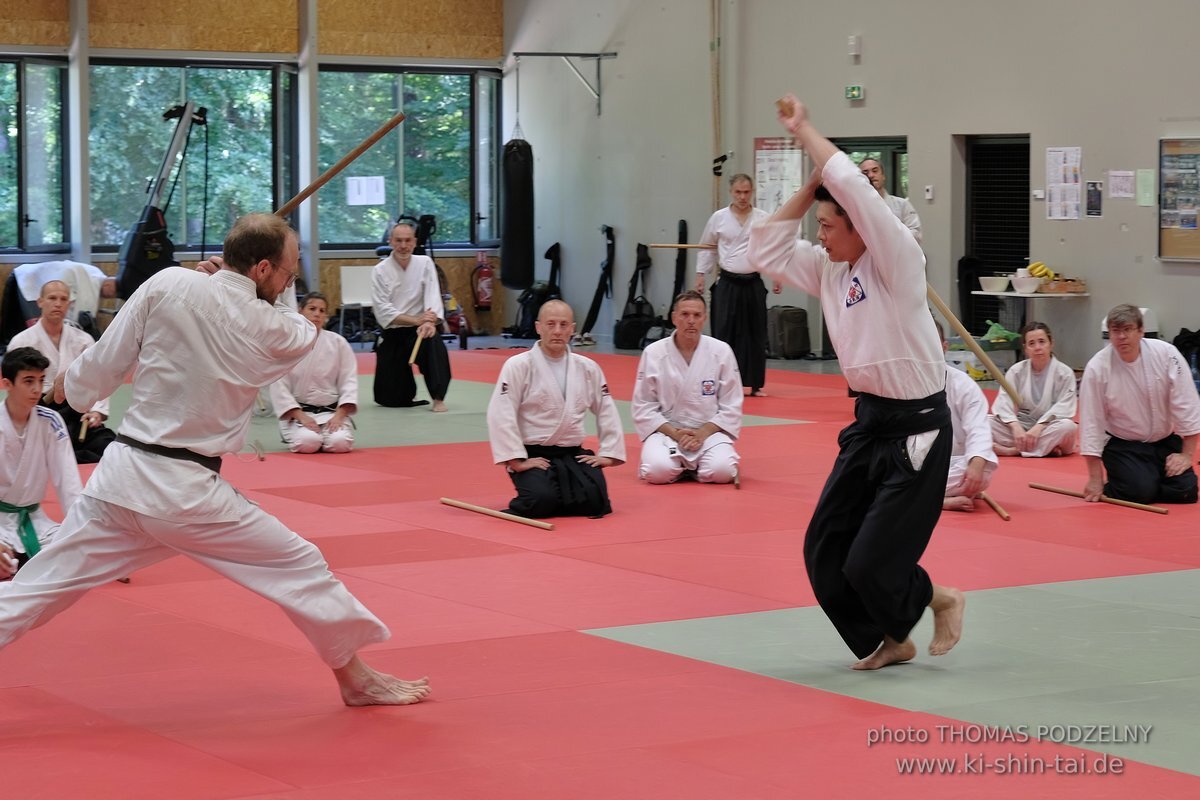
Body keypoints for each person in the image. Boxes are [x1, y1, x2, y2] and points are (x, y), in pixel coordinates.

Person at [0, 213, 430, 707]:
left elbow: (105, 361)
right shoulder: (274, 326)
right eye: (289, 273)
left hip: (119, 480)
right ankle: (355, 679)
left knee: (34, 590)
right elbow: (296, 328)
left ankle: (354, 676)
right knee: (298, 564)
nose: (291, 283)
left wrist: (72, 389)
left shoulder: (168, 282)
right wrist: (232, 286)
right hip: (185, 495)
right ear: (263, 268)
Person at [746, 94, 965, 670]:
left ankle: (938, 598)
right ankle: (889, 639)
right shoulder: (829, 268)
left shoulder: (895, 260)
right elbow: (760, 248)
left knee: (870, 561)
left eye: (829, 225)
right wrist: (810, 186)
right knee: (823, 551)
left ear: (861, 227)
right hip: (870, 424)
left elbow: (857, 191)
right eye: (818, 225)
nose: (820, 236)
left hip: (919, 429)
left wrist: (807, 131)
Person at [486, 300, 625, 518]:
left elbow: (606, 409)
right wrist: (516, 460)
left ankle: (558, 495)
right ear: (538, 327)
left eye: (563, 324)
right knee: (540, 501)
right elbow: (501, 413)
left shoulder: (587, 367)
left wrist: (609, 454)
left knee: (597, 502)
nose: (557, 331)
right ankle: (546, 494)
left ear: (573, 328)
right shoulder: (519, 365)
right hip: (533, 452)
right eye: (550, 324)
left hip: (571, 452)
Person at [1079, 304, 1200, 504]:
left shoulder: (1166, 353)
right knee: (1140, 492)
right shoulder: (1097, 368)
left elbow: (1187, 403)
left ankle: (1144, 478)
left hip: (1164, 440)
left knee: (1186, 491)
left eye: (1127, 330)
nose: (1122, 337)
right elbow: (1091, 423)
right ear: (1109, 334)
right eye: (1116, 331)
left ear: (1141, 331)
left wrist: (1186, 455)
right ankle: (1136, 480)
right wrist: (1095, 477)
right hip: (1124, 444)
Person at [632, 291, 742, 484]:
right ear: (674, 317)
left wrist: (702, 432)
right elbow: (643, 405)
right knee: (657, 472)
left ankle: (693, 465)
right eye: (685, 314)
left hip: (709, 432)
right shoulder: (654, 353)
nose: (691, 320)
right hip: (667, 432)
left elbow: (732, 404)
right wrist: (675, 433)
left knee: (723, 471)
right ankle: (680, 465)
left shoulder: (721, 351)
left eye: (697, 315)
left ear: (705, 318)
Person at [8, 280, 116, 463]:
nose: (58, 303)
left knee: (109, 445)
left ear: (69, 304)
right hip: (38, 410)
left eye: (63, 299)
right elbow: (14, 387)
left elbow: (99, 378)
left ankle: (60, 457)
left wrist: (97, 412)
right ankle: (62, 456)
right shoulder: (21, 342)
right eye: (52, 298)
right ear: (40, 302)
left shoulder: (84, 340)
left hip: (76, 411)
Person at [1, 347, 82, 579]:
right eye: (28, 381)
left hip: (37, 523)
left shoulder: (51, 422)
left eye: (40, 380)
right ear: (7, 384)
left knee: (76, 556)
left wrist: (81, 534)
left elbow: (68, 482)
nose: (37, 389)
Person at [696, 173, 780, 397]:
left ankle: (754, 383)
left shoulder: (762, 218)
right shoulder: (719, 218)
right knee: (725, 331)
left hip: (752, 281)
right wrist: (700, 275)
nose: (742, 197)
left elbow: (772, 249)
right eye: (738, 192)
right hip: (728, 282)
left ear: (752, 192)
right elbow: (708, 246)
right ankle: (721, 383)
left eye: (746, 192)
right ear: (731, 193)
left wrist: (777, 275)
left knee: (755, 332)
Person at [371, 222, 451, 412]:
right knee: (389, 398)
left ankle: (438, 398)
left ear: (415, 242)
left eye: (408, 240)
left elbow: (432, 294)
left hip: (421, 330)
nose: (403, 245)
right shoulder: (380, 270)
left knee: (433, 344)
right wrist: (417, 320)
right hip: (394, 330)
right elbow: (383, 310)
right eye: (398, 240)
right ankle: (404, 390)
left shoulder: (424, 263)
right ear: (390, 241)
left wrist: (430, 322)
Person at [269, 291, 358, 454]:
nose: (317, 314)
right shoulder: (286, 344)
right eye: (312, 308)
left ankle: (326, 435)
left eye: (322, 311)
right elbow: (279, 386)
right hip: (299, 415)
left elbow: (349, 381)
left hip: (331, 413)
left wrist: (340, 415)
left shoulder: (339, 343)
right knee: (308, 443)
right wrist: (300, 416)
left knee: (340, 443)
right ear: (300, 311)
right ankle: (306, 433)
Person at [934, 321, 998, 512]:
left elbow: (979, 428)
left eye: (933, 343)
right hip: (917, 464)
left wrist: (976, 465)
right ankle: (940, 500)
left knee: (983, 469)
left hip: (954, 463)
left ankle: (921, 497)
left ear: (945, 347)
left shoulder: (963, 385)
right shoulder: (904, 384)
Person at [990, 322, 1078, 458]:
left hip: (1049, 427)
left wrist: (1039, 427)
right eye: (1032, 343)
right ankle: (1046, 448)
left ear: (1051, 344)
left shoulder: (1064, 373)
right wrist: (1015, 427)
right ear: (1025, 348)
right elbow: (1004, 401)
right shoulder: (1016, 371)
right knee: (984, 421)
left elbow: (1064, 408)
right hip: (1022, 426)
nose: (1038, 347)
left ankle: (1014, 450)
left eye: (1042, 342)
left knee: (1068, 427)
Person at [858, 158, 922, 243]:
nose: (871, 175)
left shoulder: (902, 205)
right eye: (865, 173)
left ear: (883, 176)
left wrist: (891, 237)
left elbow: (916, 234)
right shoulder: (855, 208)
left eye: (875, 171)